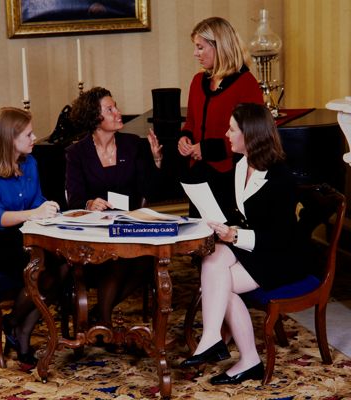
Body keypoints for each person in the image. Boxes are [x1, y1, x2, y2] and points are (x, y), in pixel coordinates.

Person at [181, 103, 311, 385]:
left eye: (232, 129)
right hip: (254, 248)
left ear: (250, 135)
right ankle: (217, 341)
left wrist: (235, 236)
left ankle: (240, 354)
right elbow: (240, 214)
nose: (227, 134)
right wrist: (219, 225)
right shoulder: (241, 166)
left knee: (216, 283)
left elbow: (281, 237)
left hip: (281, 256)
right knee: (214, 259)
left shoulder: (280, 178)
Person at [0, 107, 66, 367]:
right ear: (10, 139)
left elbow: (37, 200)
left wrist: (49, 208)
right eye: (28, 134)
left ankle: (15, 324)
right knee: (41, 267)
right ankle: (19, 331)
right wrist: (35, 213)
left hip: (26, 237)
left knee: (63, 265)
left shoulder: (31, 163)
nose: (34, 137)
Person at [65, 86, 163, 326]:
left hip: (128, 227)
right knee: (115, 261)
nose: (118, 112)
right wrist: (89, 203)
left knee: (145, 261)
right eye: (110, 109)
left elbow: (150, 192)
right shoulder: (76, 153)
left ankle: (100, 316)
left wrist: (156, 161)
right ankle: (104, 322)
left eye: (115, 106)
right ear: (95, 118)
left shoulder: (132, 144)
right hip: (94, 234)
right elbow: (73, 201)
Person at [178, 17, 263, 215]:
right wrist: (185, 139)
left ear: (219, 46)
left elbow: (253, 135)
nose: (195, 53)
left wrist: (207, 149)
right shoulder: (198, 80)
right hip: (198, 175)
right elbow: (191, 121)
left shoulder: (246, 83)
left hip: (230, 176)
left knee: (223, 237)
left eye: (200, 47)